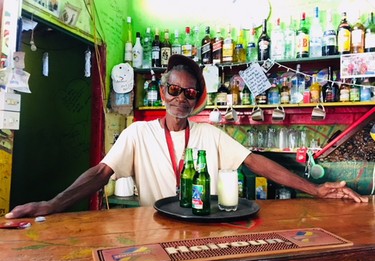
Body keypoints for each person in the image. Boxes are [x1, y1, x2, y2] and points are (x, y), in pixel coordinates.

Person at [5, 55, 368, 219]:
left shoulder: (209, 134)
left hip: (204, 232)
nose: (181, 98)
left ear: (198, 98)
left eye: (190, 93)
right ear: (162, 92)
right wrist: (52, 205)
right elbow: (101, 173)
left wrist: (317, 189)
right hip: (150, 236)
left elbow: (257, 163)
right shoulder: (137, 133)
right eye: (174, 90)